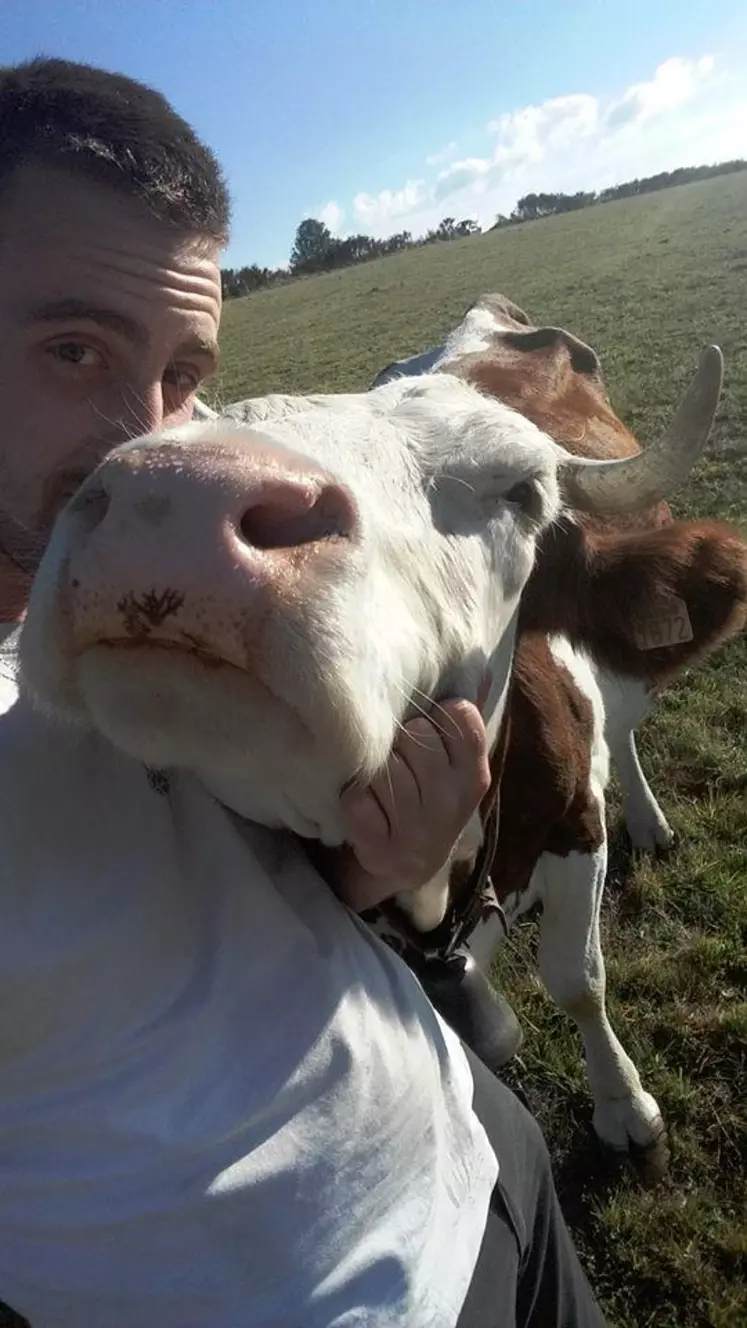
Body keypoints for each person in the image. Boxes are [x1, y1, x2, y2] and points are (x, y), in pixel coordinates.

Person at [0, 57, 606, 1328]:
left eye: (183, 367)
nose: (144, 430)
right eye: (73, 347)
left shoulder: (209, 515)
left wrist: (387, 879)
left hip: (480, 1144)